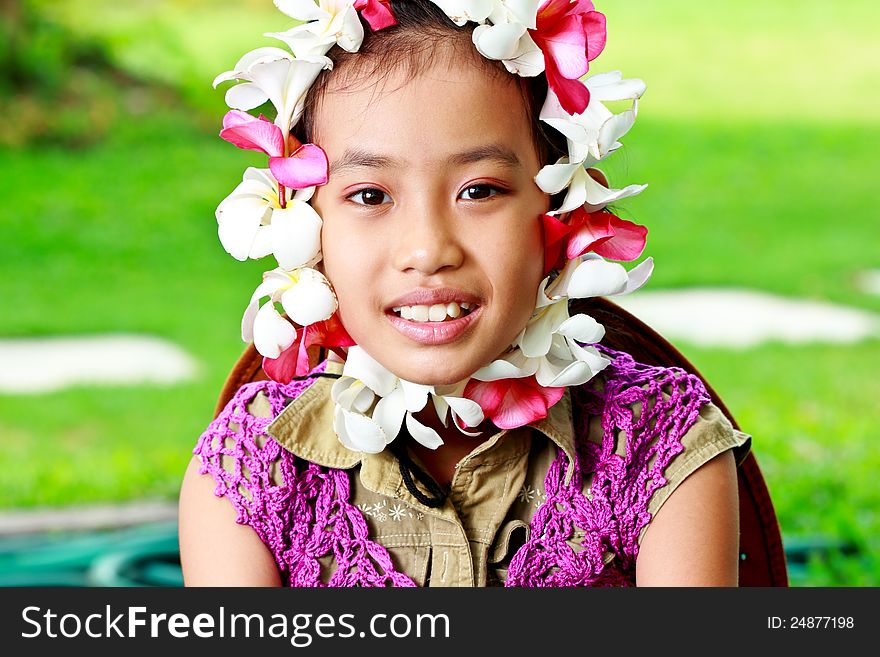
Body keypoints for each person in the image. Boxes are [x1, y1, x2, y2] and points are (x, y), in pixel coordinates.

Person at [178, 0, 750, 587]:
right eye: (371, 196)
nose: (428, 250)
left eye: (479, 190)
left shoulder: (659, 444)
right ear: (306, 227)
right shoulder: (248, 476)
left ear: (561, 207)